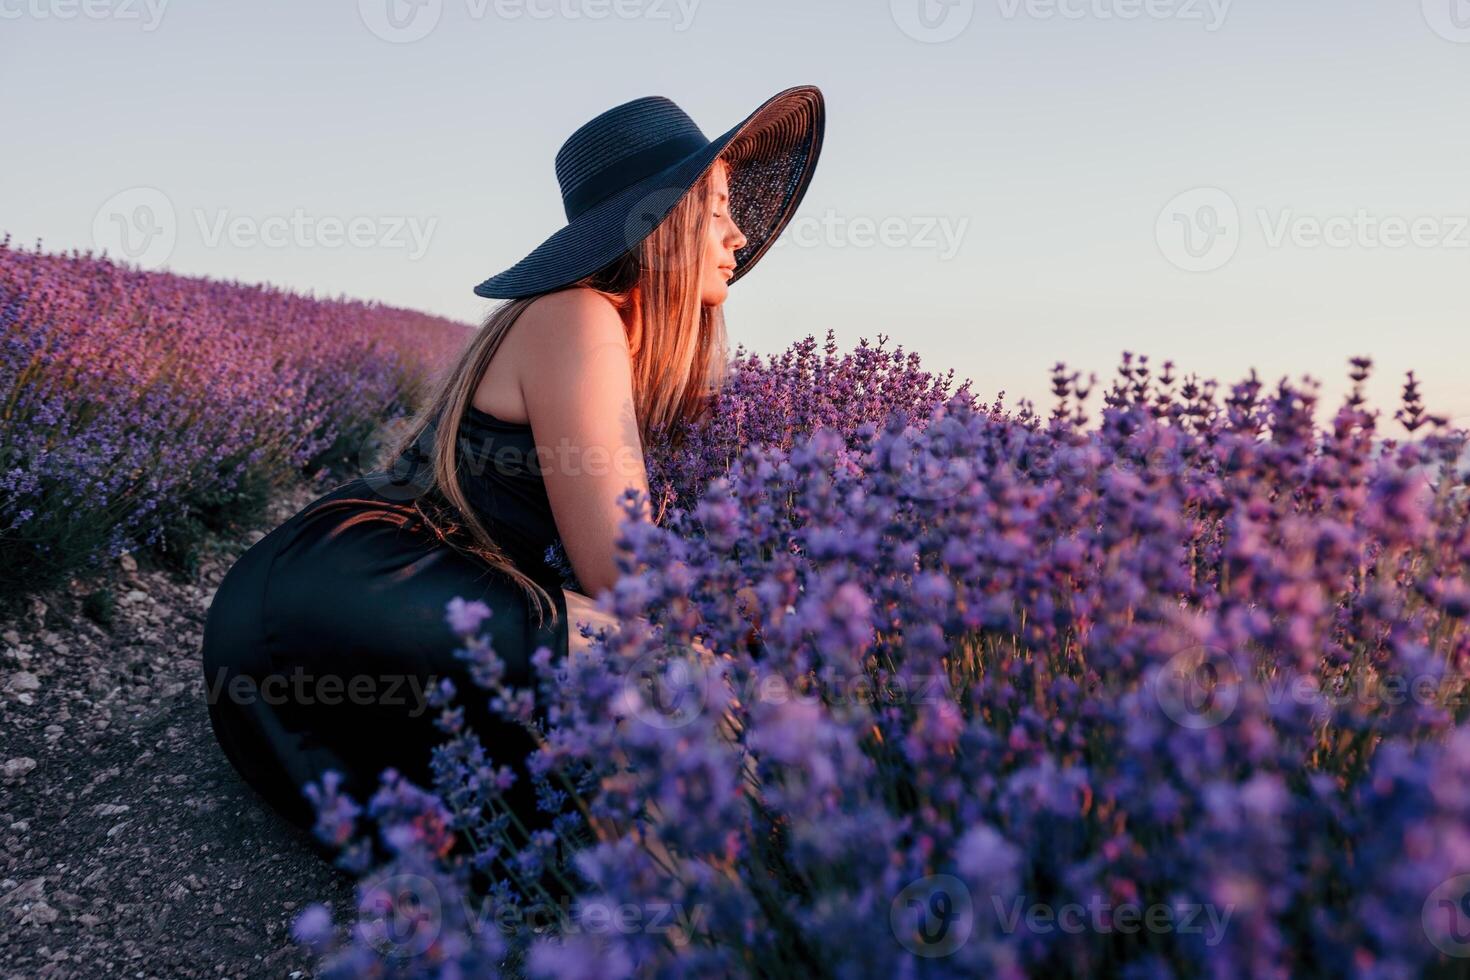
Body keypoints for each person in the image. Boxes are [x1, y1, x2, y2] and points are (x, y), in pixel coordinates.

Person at [199, 85, 826, 841]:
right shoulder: (577, 315)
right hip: (350, 585)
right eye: (720, 208)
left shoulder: (596, 334)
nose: (739, 234)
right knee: (684, 683)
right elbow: (624, 578)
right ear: (663, 222)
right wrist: (775, 627)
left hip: (323, 612)